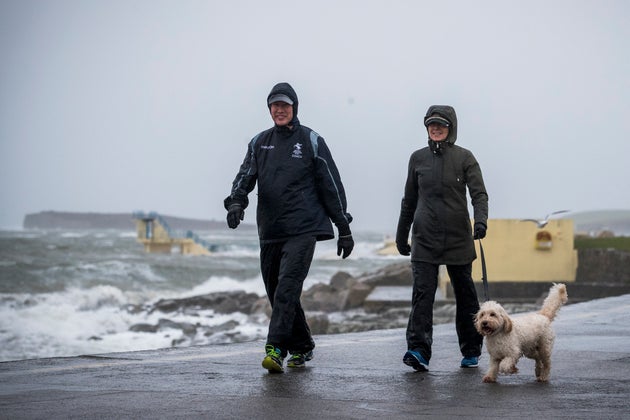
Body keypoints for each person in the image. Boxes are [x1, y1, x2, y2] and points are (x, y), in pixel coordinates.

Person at [224, 82, 354, 373]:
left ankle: (275, 348)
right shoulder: (259, 142)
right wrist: (236, 203)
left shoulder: (310, 140)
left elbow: (331, 184)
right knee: (277, 292)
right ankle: (303, 345)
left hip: (303, 228)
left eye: (285, 105)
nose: (279, 110)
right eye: (275, 105)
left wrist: (342, 226)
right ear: (269, 109)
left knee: (287, 289)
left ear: (294, 108)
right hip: (270, 229)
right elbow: (245, 176)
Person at [396, 105, 488, 372]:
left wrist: (480, 220)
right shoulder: (417, 159)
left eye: (442, 125)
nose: (436, 129)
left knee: (466, 296)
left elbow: (479, 194)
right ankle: (418, 350)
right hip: (424, 238)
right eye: (431, 124)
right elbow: (409, 200)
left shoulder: (465, 158)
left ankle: (471, 349)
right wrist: (402, 236)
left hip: (458, 238)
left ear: (451, 129)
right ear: (426, 127)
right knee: (422, 296)